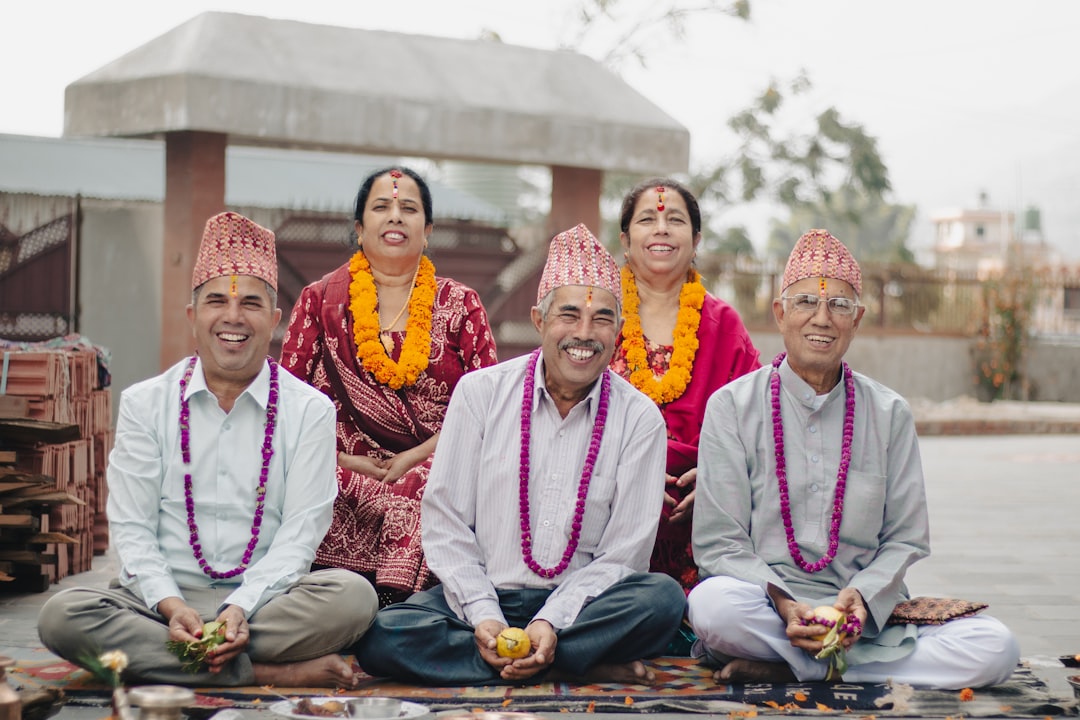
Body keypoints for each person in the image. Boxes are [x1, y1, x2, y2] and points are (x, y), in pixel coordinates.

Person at [38, 212, 377, 688]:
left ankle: (182, 662)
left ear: (274, 320)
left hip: (264, 605)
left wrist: (240, 605)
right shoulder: (145, 403)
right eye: (216, 300)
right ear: (193, 315)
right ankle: (261, 671)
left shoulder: (310, 411)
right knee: (63, 615)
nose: (233, 317)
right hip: (157, 606)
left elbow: (301, 535)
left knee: (354, 599)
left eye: (251, 304)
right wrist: (171, 605)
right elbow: (131, 530)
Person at [354, 224, 686, 685]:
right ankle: (574, 662)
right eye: (568, 315)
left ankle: (533, 655)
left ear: (620, 331)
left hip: (582, 604)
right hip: (486, 595)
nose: (584, 334)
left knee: (662, 600)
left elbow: (623, 554)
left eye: (602, 319)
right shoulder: (481, 394)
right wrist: (485, 616)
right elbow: (446, 520)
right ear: (539, 320)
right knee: (381, 636)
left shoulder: (640, 419)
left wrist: (552, 621)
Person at [688, 229, 1020, 689]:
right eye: (805, 302)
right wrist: (785, 602)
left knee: (997, 647)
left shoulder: (889, 413)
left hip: (863, 618)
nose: (822, 319)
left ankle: (802, 665)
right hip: (767, 607)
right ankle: (827, 664)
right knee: (712, 607)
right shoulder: (732, 407)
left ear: (857, 319)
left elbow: (906, 539)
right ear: (780, 314)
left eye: (839, 306)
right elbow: (718, 542)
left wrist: (861, 598)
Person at [280, 166, 498, 607]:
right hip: (336, 467)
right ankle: (343, 599)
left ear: (428, 230)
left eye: (409, 209)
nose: (395, 217)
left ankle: (399, 602)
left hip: (436, 464)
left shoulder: (461, 304)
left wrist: (415, 459)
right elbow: (288, 404)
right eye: (381, 207)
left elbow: (491, 408)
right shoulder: (319, 301)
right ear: (360, 229)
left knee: (430, 482)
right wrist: (342, 459)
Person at [611, 178, 760, 594]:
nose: (661, 228)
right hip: (607, 501)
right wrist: (625, 475)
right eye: (647, 219)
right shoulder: (599, 316)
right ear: (625, 240)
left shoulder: (724, 324)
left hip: (702, 509)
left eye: (674, 219)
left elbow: (755, 424)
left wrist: (717, 477)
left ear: (695, 240)